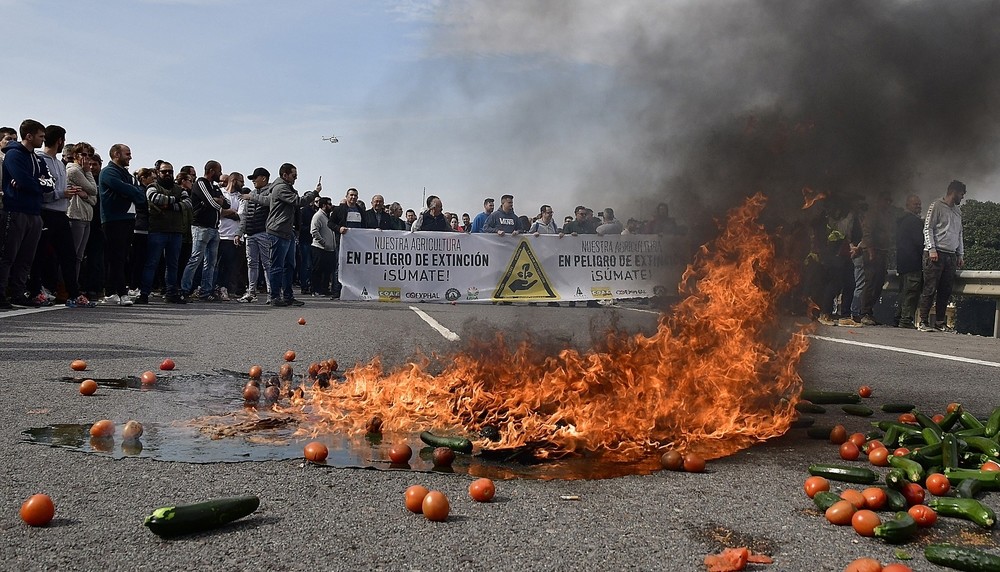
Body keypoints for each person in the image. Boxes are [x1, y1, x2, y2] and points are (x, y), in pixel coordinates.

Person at [30, 124, 92, 307]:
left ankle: (74, 293)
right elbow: (40, 189)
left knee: (69, 255)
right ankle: (35, 290)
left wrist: (65, 193)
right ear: (60, 141)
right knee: (39, 255)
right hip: (45, 212)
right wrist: (60, 194)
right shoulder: (38, 160)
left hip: (61, 213)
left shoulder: (59, 163)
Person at [0, 120, 51, 309]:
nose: (43, 140)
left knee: (26, 257)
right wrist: (37, 183)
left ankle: (18, 293)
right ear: (29, 136)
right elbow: (23, 180)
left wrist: (35, 183)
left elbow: (50, 184)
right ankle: (1, 293)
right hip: (15, 210)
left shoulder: (38, 159)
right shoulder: (13, 155)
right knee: (7, 255)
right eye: (40, 136)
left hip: (35, 213)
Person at [256, 163, 320, 307]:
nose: (296, 178)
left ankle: (288, 296)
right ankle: (275, 296)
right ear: (285, 175)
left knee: (289, 265)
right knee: (278, 266)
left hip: (287, 231)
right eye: (294, 175)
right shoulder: (281, 188)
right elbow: (299, 201)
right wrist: (314, 192)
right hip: (278, 231)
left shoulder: (285, 188)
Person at [99, 143, 146, 306]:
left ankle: (111, 292)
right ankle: (121, 292)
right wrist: (131, 192)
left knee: (122, 257)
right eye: (127, 154)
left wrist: (131, 192)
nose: (130, 157)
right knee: (116, 257)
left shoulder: (127, 175)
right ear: (116, 154)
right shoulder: (108, 172)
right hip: (113, 220)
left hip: (128, 219)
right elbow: (129, 190)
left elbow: (140, 194)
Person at [138, 162, 191, 304]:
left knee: (173, 265)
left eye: (170, 171)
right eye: (164, 172)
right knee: (152, 263)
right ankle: (144, 294)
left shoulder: (179, 188)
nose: (167, 174)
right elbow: (155, 198)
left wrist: (168, 205)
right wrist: (176, 201)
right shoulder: (152, 187)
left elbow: (188, 204)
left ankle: (171, 294)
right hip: (157, 230)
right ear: (158, 172)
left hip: (176, 232)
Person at [917, 180, 966, 332]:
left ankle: (939, 322)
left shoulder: (958, 211)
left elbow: (959, 234)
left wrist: (960, 254)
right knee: (930, 288)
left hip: (951, 255)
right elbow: (928, 228)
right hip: (936, 253)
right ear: (954, 192)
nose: (962, 198)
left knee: (945, 290)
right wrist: (931, 248)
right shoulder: (936, 205)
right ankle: (923, 321)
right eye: (961, 194)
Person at [180, 160, 233, 302]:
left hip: (215, 229)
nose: (221, 173)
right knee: (195, 259)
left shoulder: (215, 187)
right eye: (219, 171)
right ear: (211, 171)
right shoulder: (201, 183)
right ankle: (184, 290)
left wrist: (220, 201)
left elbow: (226, 203)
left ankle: (206, 291)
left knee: (210, 263)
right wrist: (218, 202)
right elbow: (212, 203)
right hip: (201, 227)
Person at [858, 192, 893, 325]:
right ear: (879, 200)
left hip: (882, 252)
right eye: (886, 200)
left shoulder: (887, 215)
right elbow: (867, 233)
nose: (888, 203)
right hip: (873, 252)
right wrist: (871, 251)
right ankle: (864, 312)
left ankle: (869, 311)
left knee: (879, 283)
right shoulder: (873, 213)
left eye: (890, 201)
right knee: (871, 281)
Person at [238, 167, 272, 303]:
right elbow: (244, 216)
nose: (253, 181)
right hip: (250, 233)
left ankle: (271, 293)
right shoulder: (251, 193)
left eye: (255, 178)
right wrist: (238, 233)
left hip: (264, 232)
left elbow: (269, 201)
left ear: (263, 178)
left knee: (267, 264)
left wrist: (252, 197)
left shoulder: (271, 191)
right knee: (251, 263)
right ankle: (251, 292)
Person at [66, 142, 98, 284]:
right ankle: (66, 287)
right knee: (72, 254)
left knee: (79, 255)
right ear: (75, 155)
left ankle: (73, 285)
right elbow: (93, 189)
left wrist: (85, 195)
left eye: (89, 155)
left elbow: (93, 198)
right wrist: (88, 171)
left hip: (87, 216)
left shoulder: (84, 172)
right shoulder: (74, 170)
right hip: (75, 215)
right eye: (83, 154)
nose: (87, 159)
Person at [894, 194, 923, 329]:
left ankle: (898, 317)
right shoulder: (914, 222)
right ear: (908, 205)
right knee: (911, 292)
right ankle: (906, 320)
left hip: (902, 261)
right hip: (912, 262)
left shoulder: (901, 221)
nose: (919, 206)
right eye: (915, 204)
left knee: (903, 291)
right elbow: (919, 242)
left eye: (919, 204)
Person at [216, 172, 245, 301]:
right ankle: (217, 288)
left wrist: (225, 212)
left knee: (232, 267)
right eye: (241, 181)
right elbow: (217, 210)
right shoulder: (220, 193)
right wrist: (230, 211)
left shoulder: (241, 197)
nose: (243, 184)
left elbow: (241, 215)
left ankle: (229, 290)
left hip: (235, 237)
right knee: (218, 266)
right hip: (220, 235)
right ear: (233, 180)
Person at [128, 167, 155, 299]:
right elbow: (143, 206)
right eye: (151, 178)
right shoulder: (140, 191)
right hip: (139, 227)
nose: (154, 181)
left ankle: (137, 285)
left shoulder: (146, 190)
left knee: (142, 259)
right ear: (143, 178)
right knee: (137, 259)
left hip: (146, 228)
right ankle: (133, 286)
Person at [310, 197, 336, 296]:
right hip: (319, 248)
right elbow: (314, 231)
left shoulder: (327, 216)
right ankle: (316, 290)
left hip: (329, 249)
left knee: (327, 270)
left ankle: (324, 289)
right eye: (329, 204)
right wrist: (323, 242)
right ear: (324, 205)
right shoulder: (318, 216)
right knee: (318, 270)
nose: (331, 206)